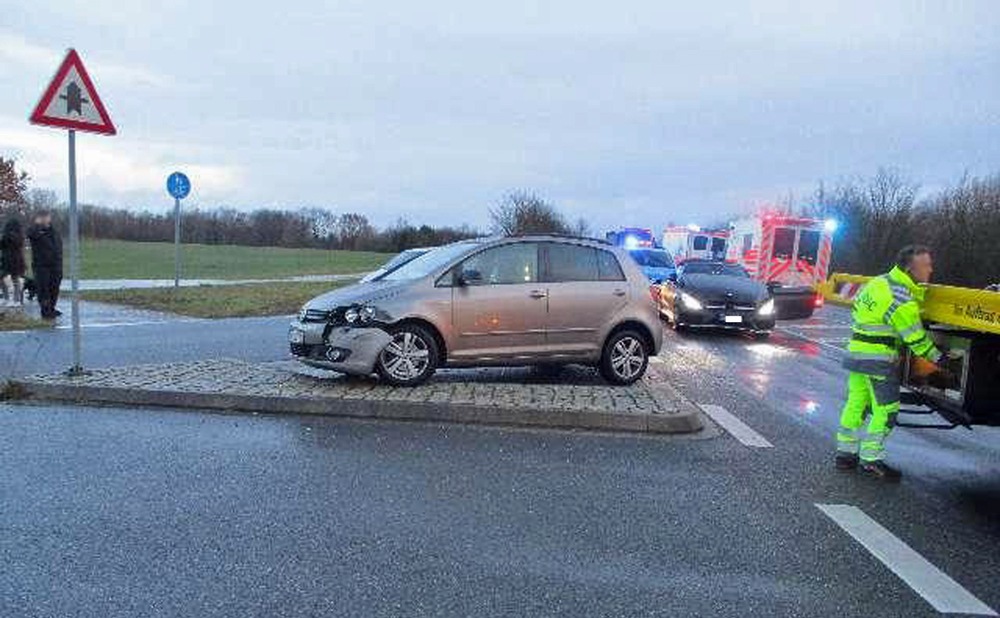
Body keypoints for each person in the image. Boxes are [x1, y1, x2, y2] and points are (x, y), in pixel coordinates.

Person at [834, 245, 947, 481]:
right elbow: (915, 339)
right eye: (925, 265)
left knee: (856, 404)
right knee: (887, 411)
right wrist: (941, 360)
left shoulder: (878, 282)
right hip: (878, 359)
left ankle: (845, 454)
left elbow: (858, 310)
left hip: (856, 353)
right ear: (909, 268)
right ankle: (871, 460)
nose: (930, 269)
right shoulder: (901, 297)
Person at [27, 212, 63, 320]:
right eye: (43, 218)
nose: (45, 220)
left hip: (56, 265)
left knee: (54, 288)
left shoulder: (54, 231)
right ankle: (45, 310)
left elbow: (58, 246)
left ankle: (51, 308)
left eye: (47, 217)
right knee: (44, 289)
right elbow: (30, 234)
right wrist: (37, 225)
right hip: (41, 266)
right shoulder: (35, 231)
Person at [1, 216, 26, 307]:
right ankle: (7, 298)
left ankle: (16, 300)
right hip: (9, 260)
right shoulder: (7, 235)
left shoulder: (17, 236)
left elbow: (17, 243)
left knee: (15, 280)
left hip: (15, 260)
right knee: (5, 279)